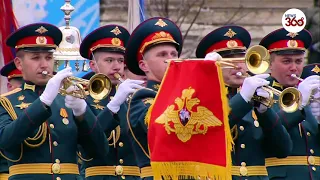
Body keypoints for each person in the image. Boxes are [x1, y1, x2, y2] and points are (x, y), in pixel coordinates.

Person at [0, 23, 108, 180]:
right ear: (18, 64)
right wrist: (43, 101)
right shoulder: (6, 102)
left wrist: (82, 113)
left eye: (49, 57)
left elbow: (99, 151)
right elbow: (5, 141)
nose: (44, 64)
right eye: (36, 58)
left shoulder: (67, 99)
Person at [196, 25, 292, 179]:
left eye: (242, 58)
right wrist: (243, 99)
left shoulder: (256, 93)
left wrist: (264, 112)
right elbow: (212, 132)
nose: (238, 65)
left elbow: (282, 149)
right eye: (229, 59)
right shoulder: (201, 98)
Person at [78, 24, 143, 179]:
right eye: (109, 60)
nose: (117, 67)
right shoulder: (82, 98)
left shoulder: (132, 98)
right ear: (93, 65)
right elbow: (88, 141)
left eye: (121, 61)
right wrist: (113, 105)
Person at [125, 17, 183, 179]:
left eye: (174, 53)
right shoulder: (142, 98)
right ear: (144, 66)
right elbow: (167, 127)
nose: (171, 59)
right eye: (162, 55)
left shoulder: (183, 95)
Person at [259, 28, 320, 180]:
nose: (294, 68)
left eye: (299, 61)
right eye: (286, 61)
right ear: (270, 64)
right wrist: (298, 104)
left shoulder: (310, 94)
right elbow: (264, 135)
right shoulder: (261, 94)